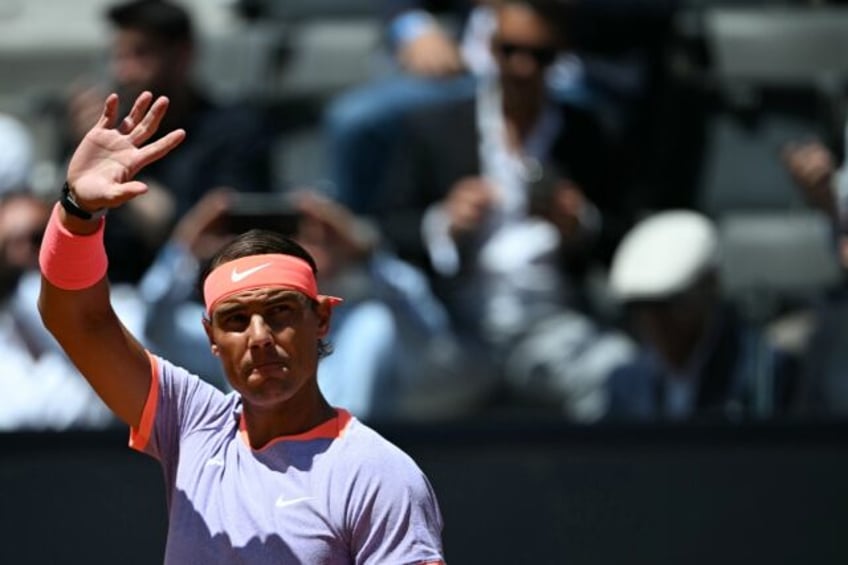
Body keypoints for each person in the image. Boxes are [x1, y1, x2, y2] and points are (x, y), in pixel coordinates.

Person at [38, 91, 445, 563]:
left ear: (322, 319)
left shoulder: (379, 474)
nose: (259, 336)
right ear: (212, 337)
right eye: (236, 320)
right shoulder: (193, 423)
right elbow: (78, 321)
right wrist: (77, 214)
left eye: (280, 312)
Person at [375, 0, 636, 419]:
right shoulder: (436, 128)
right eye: (510, 51)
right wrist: (443, 223)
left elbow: (626, 237)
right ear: (490, 50)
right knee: (383, 379)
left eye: (539, 55)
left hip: (554, 325)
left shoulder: (588, 134)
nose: (522, 67)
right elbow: (389, 227)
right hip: (457, 329)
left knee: (624, 378)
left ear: (560, 57)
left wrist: (580, 224)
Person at [63, 0, 275, 284]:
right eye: (119, 56)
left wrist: (119, 176)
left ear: (183, 54)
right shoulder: (102, 134)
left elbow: (215, 236)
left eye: (141, 54)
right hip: (108, 287)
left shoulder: (235, 130)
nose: (125, 72)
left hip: (199, 293)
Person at [604, 210, 799, 421]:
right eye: (643, 308)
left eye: (673, 306)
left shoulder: (761, 376)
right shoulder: (627, 384)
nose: (657, 322)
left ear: (709, 289)